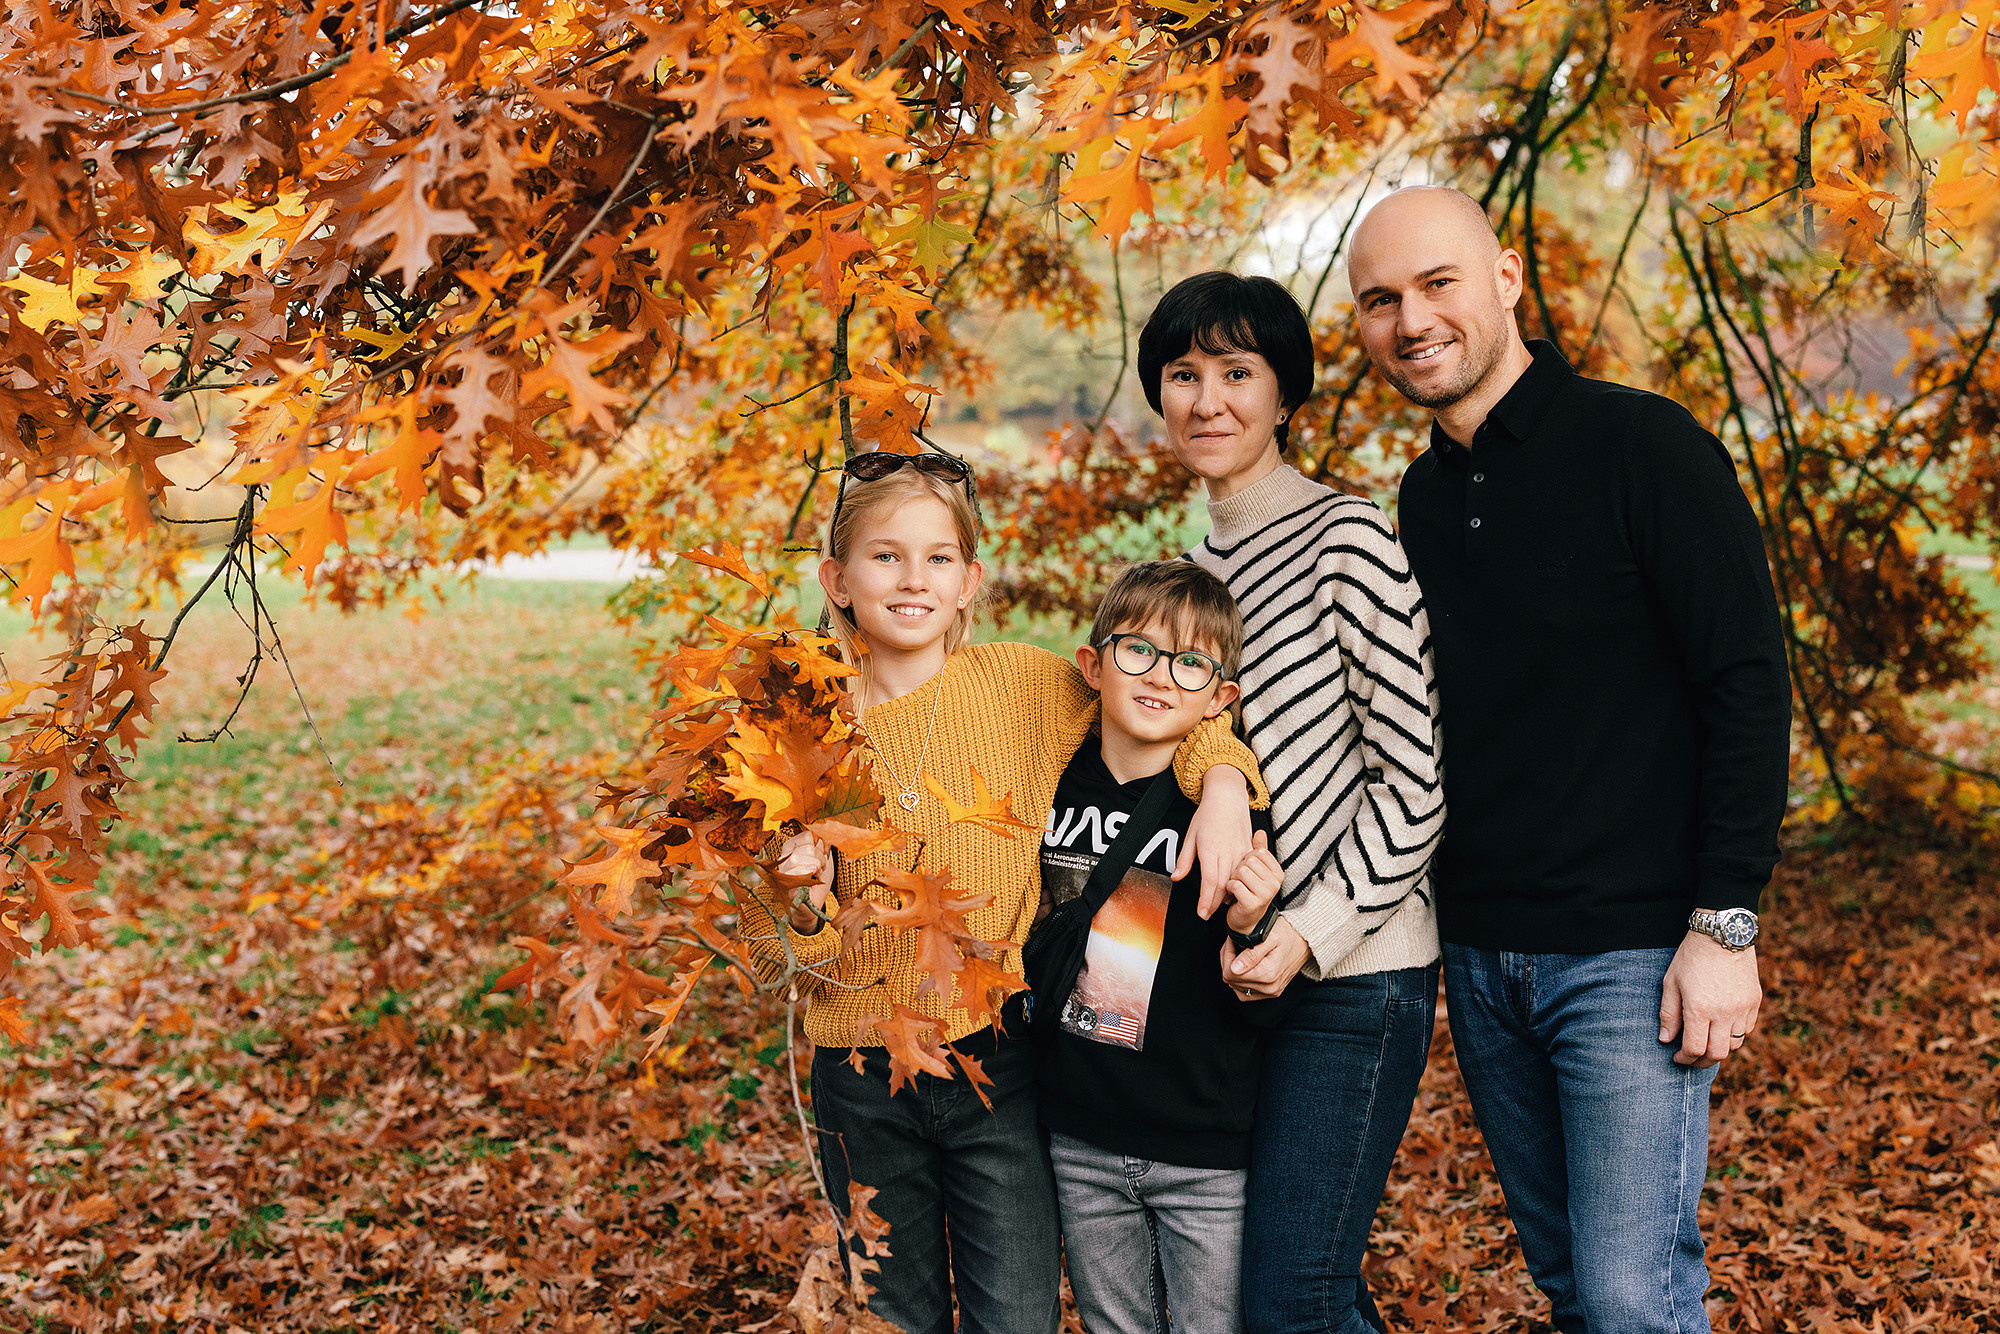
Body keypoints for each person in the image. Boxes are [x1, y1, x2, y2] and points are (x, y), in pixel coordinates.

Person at [1348, 185, 1791, 1333]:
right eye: (1380, 300)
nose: (1411, 320)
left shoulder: (1642, 446)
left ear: (1504, 278)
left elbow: (1744, 681)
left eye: (1436, 283)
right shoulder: (1421, 499)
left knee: (1631, 1295)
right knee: (1573, 1288)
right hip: (1481, 955)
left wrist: (1724, 920)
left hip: (1628, 955)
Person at [736, 452, 1270, 1334]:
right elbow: (776, 962)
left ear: (968, 582)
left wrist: (1221, 784)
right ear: (837, 579)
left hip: (999, 1061)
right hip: (861, 1077)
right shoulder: (792, 734)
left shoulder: (1022, 687)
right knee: (894, 1315)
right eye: (886, 556)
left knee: (1017, 1312)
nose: (914, 579)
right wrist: (800, 901)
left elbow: (1159, 706)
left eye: (939, 558)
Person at [1138, 272, 1448, 1334]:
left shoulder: (1345, 539)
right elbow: (1175, 741)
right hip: (1233, 975)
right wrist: (1220, 770)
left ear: (1284, 394)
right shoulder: (1190, 574)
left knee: (1292, 1301)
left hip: (1355, 974)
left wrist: (1310, 933)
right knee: (1285, 1284)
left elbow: (1415, 782)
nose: (1207, 400)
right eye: (1183, 374)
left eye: (1237, 372)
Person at [1029, 560, 1286, 1334]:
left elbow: (1262, 991)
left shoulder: (1226, 809)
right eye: (1138, 648)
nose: (1161, 675)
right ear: (1093, 665)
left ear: (1221, 698)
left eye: (1191, 663)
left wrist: (1253, 920)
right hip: (1080, 1133)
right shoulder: (1049, 782)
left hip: (1203, 1147)